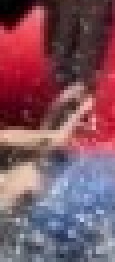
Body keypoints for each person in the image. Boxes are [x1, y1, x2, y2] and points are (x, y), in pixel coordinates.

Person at [0, 83, 94, 217]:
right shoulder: (5, 138)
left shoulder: (8, 143)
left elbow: (42, 143)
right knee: (29, 174)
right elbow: (54, 140)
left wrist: (60, 104)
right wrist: (82, 110)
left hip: (19, 211)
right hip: (27, 210)